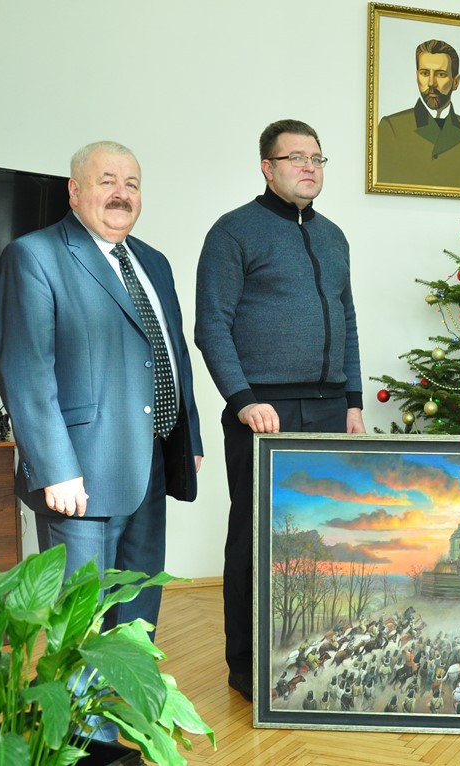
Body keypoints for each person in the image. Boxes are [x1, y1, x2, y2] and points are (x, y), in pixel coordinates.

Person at [0, 140, 203, 636]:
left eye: (132, 184)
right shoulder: (34, 256)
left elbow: (171, 352)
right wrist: (55, 469)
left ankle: (129, 689)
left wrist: (187, 437)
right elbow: (26, 374)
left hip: (152, 463)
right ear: (75, 190)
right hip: (79, 476)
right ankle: (86, 697)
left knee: (138, 613)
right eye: (107, 182)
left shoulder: (154, 262)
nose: (121, 193)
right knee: (80, 626)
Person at [195, 119, 365, 703]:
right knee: (255, 536)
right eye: (296, 157)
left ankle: (306, 652)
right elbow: (211, 325)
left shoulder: (334, 236)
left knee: (319, 535)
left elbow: (347, 322)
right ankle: (246, 665)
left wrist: (353, 400)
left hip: (330, 406)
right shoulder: (233, 232)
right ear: (267, 168)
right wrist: (243, 399)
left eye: (317, 157)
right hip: (263, 409)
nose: (309, 167)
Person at [376, 38, 460, 190]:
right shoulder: (391, 128)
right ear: (417, 76)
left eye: (440, 74)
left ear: (456, 82)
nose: (431, 83)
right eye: (424, 73)